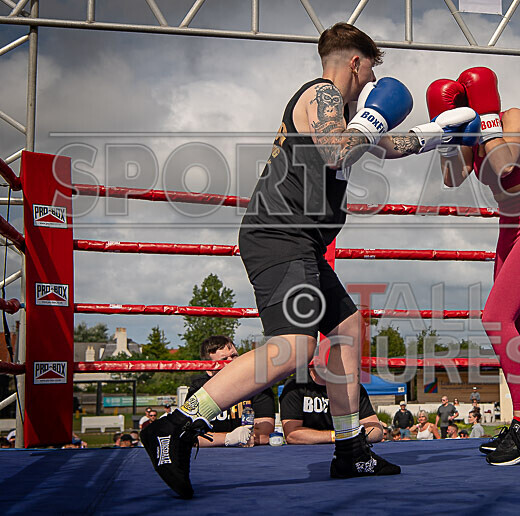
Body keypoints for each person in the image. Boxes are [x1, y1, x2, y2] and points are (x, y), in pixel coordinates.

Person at [140, 23, 480, 496]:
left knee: (345, 328)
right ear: (356, 63)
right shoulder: (319, 95)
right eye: (368, 74)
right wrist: (371, 122)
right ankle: (175, 425)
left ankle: (351, 449)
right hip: (279, 235)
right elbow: (338, 153)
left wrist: (433, 135)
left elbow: (378, 145)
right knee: (294, 347)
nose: (369, 87)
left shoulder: (340, 114)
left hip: (301, 241)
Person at [433, 67, 520, 466]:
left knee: (494, 317)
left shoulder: (514, 119)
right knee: (515, 330)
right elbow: (453, 179)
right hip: (509, 233)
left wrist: (486, 118)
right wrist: (448, 136)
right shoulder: (472, 136)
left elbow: (505, 167)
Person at [186, 336, 276, 447]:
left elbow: (265, 434)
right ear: (209, 370)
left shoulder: (258, 385)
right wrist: (228, 438)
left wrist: (232, 438)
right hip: (210, 457)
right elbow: (190, 436)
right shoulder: (199, 388)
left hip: (251, 456)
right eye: (224, 360)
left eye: (234, 356)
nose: (232, 362)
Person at [279, 366, 383, 444]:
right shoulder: (295, 386)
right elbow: (292, 435)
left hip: (346, 451)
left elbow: (376, 429)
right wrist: (341, 436)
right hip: (306, 452)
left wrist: (359, 437)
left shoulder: (352, 386)